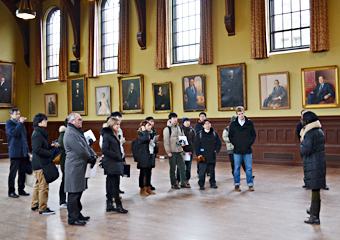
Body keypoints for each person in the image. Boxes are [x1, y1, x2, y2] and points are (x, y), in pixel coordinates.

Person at [64, 113, 97, 226]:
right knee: (73, 193)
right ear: (72, 121)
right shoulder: (70, 133)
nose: (81, 121)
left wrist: (93, 155)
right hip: (74, 167)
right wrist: (90, 158)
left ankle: (77, 214)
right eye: (79, 119)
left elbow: (86, 146)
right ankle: (72, 218)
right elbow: (80, 150)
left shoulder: (77, 131)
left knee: (78, 191)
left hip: (80, 166)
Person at [299, 111, 326, 225]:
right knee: (316, 188)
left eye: (303, 120)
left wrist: (301, 143)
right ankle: (313, 210)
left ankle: (315, 216)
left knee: (315, 189)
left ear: (308, 121)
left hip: (313, 163)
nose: (301, 122)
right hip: (319, 161)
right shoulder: (319, 131)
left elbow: (306, 150)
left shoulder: (309, 134)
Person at [31, 113, 58, 214]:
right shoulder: (37, 134)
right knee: (43, 186)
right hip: (40, 163)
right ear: (39, 123)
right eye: (44, 120)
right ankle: (43, 208)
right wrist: (50, 153)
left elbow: (43, 146)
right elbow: (37, 149)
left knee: (38, 184)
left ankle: (34, 204)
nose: (46, 122)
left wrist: (51, 145)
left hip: (39, 163)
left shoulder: (40, 132)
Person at [102, 117, 128, 213]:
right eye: (117, 124)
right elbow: (104, 150)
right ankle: (118, 205)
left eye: (119, 124)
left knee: (110, 184)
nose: (118, 126)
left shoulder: (114, 134)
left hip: (114, 162)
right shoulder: (107, 135)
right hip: (111, 163)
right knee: (114, 185)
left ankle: (109, 204)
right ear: (111, 125)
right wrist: (117, 155)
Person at [229, 106, 256, 191]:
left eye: (242, 113)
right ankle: (236, 184)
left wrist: (249, 143)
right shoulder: (233, 124)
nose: (241, 115)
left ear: (244, 113)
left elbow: (253, 135)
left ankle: (250, 184)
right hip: (237, 149)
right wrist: (236, 144)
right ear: (237, 114)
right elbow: (230, 136)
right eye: (239, 114)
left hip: (247, 149)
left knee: (248, 168)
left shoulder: (249, 123)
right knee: (236, 167)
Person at [5, 108, 30, 198]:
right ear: (11, 115)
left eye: (19, 114)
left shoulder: (21, 124)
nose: (18, 115)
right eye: (16, 114)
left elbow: (24, 139)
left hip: (23, 151)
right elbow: (15, 133)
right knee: (13, 172)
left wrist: (27, 151)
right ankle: (11, 191)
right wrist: (20, 123)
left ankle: (21, 189)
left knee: (22, 172)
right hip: (15, 151)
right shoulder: (9, 123)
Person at [163, 112, 190, 189]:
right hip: (172, 152)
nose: (175, 120)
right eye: (173, 118)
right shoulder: (167, 129)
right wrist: (168, 152)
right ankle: (173, 183)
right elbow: (166, 141)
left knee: (182, 168)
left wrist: (183, 143)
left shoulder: (180, 128)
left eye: (176, 118)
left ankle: (183, 182)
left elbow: (183, 138)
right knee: (173, 169)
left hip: (179, 151)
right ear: (170, 120)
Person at [195, 119, 221, 190]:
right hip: (202, 155)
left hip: (212, 155)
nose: (208, 125)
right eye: (206, 124)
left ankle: (212, 183)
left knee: (212, 171)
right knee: (202, 171)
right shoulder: (199, 134)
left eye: (209, 123)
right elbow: (196, 145)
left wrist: (216, 150)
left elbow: (219, 143)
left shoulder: (214, 133)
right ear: (203, 126)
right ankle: (201, 184)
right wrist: (198, 154)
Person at [137, 120, 156, 196]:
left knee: (148, 172)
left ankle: (148, 187)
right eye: (148, 126)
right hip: (143, 156)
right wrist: (144, 131)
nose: (150, 127)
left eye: (150, 125)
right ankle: (142, 189)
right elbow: (145, 140)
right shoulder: (140, 134)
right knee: (143, 173)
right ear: (143, 127)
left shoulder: (150, 133)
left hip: (150, 155)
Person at [176, 117, 195, 186]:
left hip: (189, 152)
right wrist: (181, 150)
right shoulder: (179, 130)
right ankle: (178, 180)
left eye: (188, 121)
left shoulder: (192, 131)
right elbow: (177, 141)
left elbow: (194, 142)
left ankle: (186, 180)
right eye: (186, 121)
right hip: (181, 152)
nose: (187, 123)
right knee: (179, 167)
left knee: (188, 167)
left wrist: (191, 151)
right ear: (183, 123)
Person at [146, 116, 158, 190]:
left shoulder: (154, 130)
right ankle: (145, 185)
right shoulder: (143, 132)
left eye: (153, 121)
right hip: (146, 152)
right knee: (145, 170)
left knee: (150, 169)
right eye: (150, 121)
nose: (152, 123)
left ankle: (149, 183)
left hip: (152, 151)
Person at [58, 119, 68, 208]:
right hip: (65, 161)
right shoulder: (63, 134)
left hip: (69, 161)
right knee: (64, 181)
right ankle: (62, 200)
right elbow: (63, 147)